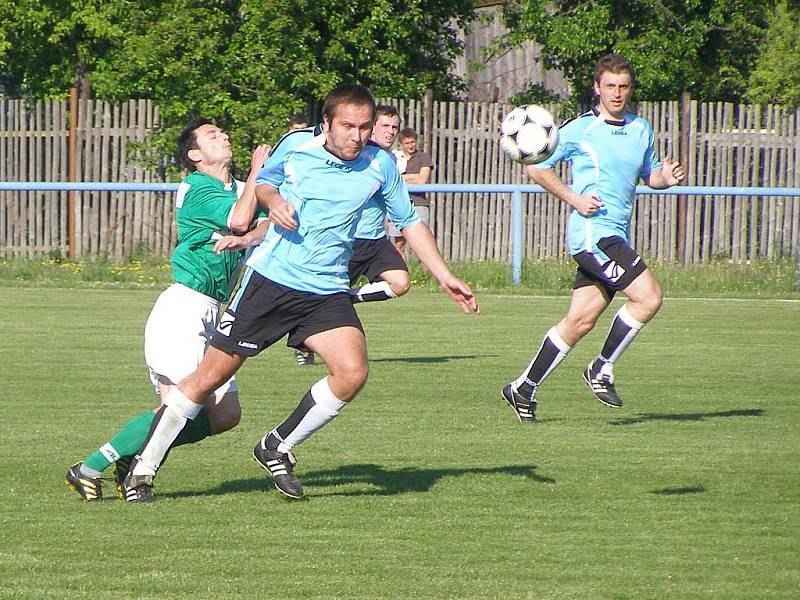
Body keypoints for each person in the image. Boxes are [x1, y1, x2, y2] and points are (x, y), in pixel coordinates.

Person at [123, 84, 479, 502]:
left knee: (352, 372)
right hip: (271, 283)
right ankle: (141, 470)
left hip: (326, 290)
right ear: (325, 123)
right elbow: (265, 184)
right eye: (348, 126)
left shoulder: (380, 163)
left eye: (365, 127)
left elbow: (411, 222)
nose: (357, 136)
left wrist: (443, 274)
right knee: (208, 379)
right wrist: (273, 202)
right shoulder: (296, 145)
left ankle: (277, 444)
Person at [64, 119, 270, 501]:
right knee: (176, 406)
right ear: (195, 156)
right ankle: (98, 468)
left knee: (226, 414)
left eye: (222, 132)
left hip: (213, 313)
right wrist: (260, 171)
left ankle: (133, 455)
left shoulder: (238, 189)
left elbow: (262, 222)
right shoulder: (198, 188)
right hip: (184, 309)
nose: (223, 136)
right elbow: (241, 220)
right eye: (212, 135)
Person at [501, 53, 684, 423]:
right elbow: (537, 168)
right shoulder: (580, 129)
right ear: (596, 88)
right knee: (648, 297)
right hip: (594, 237)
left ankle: (523, 388)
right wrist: (574, 198)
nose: (617, 93)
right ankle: (601, 368)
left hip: (615, 233)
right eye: (610, 86)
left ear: (630, 89)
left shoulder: (640, 128)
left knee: (579, 322)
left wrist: (666, 177)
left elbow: (650, 176)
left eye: (623, 86)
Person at [294, 103, 409, 367]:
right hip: (350, 240)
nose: (390, 132)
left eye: (395, 127)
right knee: (317, 298)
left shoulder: (386, 160)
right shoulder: (354, 157)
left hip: (376, 240)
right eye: (384, 126)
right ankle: (303, 343)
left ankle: (349, 296)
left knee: (400, 283)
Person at [387, 127, 433, 255]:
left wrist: (400, 178)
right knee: (399, 244)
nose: (411, 145)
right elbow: (390, 178)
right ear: (401, 144)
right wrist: (413, 176)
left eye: (413, 142)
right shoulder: (395, 158)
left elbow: (422, 179)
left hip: (418, 203)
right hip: (398, 203)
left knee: (422, 243)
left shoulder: (423, 158)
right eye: (407, 143)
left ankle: (426, 274)